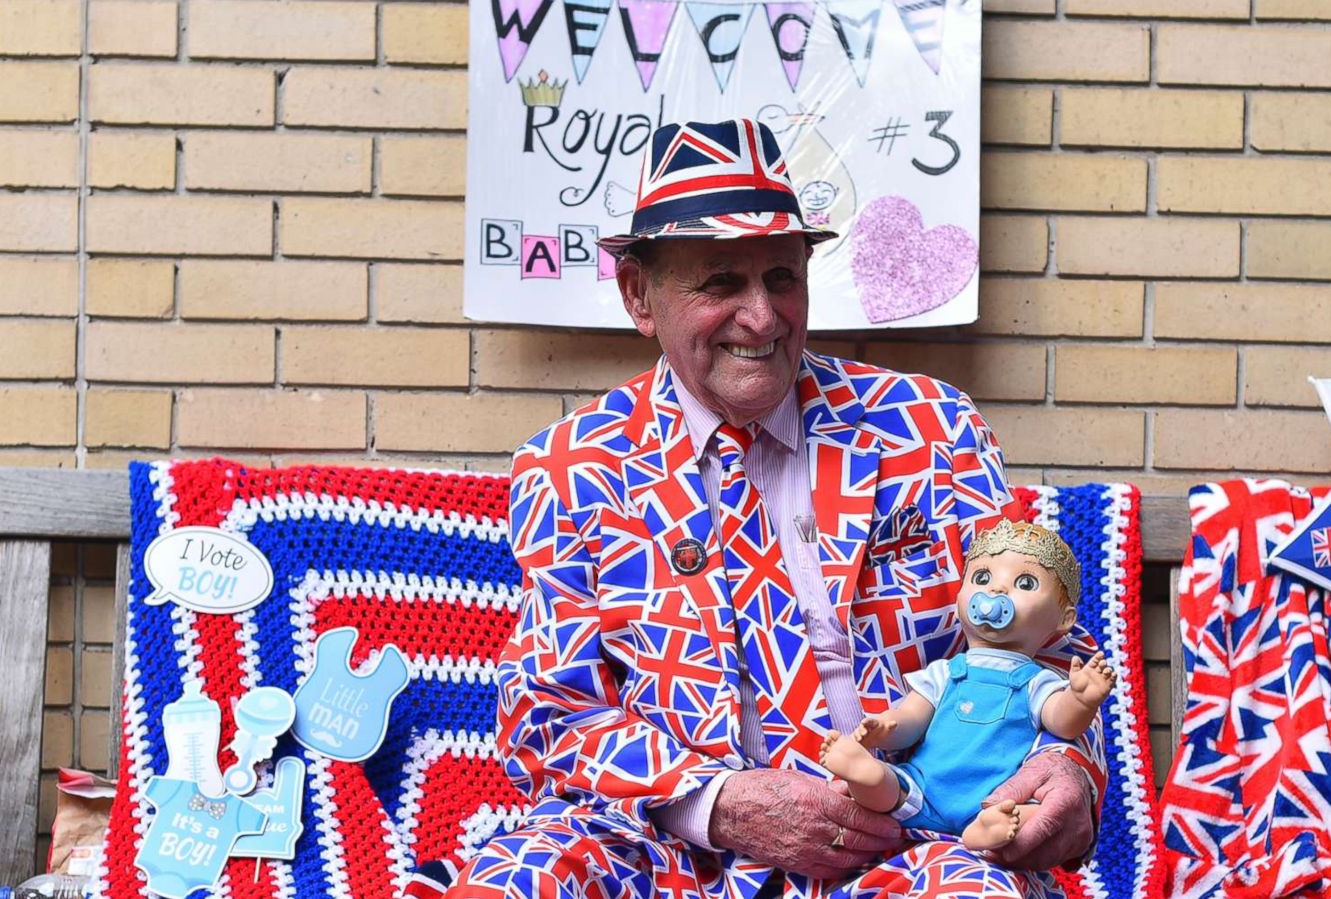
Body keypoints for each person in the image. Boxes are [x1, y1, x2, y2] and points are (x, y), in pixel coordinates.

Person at [446, 118, 1106, 899]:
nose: (762, 318)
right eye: (721, 282)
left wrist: (1071, 771)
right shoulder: (574, 467)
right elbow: (549, 715)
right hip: (666, 844)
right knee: (512, 882)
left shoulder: (934, 428)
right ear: (639, 296)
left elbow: (1051, 648)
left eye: (781, 278)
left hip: (912, 834)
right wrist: (718, 803)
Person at [820, 520, 1116, 853]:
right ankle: (864, 774)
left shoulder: (1038, 681)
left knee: (1026, 814)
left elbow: (1061, 723)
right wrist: (886, 730)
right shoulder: (945, 672)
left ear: (1063, 619)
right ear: (961, 595)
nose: (996, 591)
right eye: (982, 578)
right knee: (891, 787)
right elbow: (913, 717)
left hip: (994, 797)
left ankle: (985, 833)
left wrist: (1081, 699)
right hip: (924, 788)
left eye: (1025, 582)